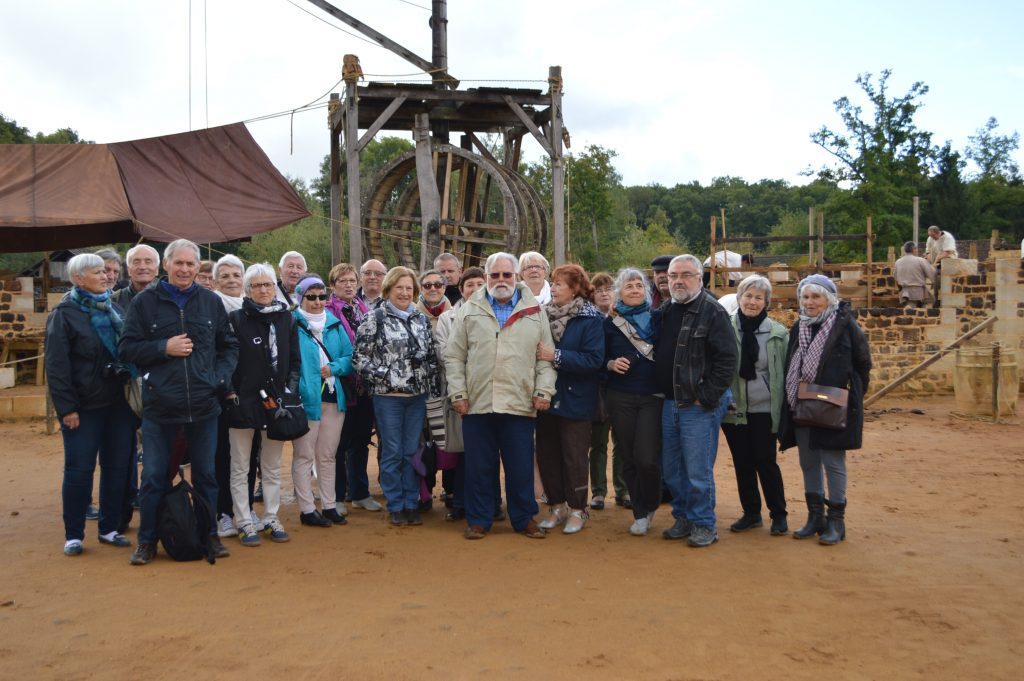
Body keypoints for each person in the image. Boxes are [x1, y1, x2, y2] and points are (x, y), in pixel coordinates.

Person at [119, 238, 238, 565]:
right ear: (166, 265)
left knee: (207, 475)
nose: (185, 269)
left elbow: (228, 346)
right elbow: (127, 348)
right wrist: (162, 348)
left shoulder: (210, 302)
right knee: (155, 476)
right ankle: (146, 541)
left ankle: (209, 537)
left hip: (203, 407)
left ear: (198, 267)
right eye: (179, 263)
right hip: (160, 408)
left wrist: (220, 378)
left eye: (191, 264)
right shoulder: (144, 303)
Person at [445, 252, 557, 540]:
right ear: (486, 277)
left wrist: (543, 390)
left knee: (520, 465)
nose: (501, 280)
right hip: (478, 401)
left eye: (507, 274)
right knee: (479, 466)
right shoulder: (469, 310)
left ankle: (524, 518)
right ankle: (479, 519)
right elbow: (454, 356)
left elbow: (545, 358)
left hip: (519, 400)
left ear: (516, 277)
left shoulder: (535, 311)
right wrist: (458, 392)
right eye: (495, 275)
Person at [46, 253, 136, 556]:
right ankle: (74, 534)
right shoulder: (65, 313)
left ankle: (109, 528)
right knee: (79, 470)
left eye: (107, 272)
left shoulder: (115, 308)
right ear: (78, 279)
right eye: (98, 272)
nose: (106, 276)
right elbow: (57, 367)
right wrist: (67, 408)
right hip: (82, 408)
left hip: (118, 404)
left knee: (116, 467)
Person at [778, 274, 871, 546]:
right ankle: (815, 517)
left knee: (833, 463)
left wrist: (850, 399)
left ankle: (836, 522)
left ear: (828, 299)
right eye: (805, 297)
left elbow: (862, 366)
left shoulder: (846, 327)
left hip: (833, 407)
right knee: (808, 462)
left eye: (815, 297)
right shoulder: (799, 327)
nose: (809, 302)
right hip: (803, 404)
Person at [656, 255, 737, 548]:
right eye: (673, 275)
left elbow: (728, 359)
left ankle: (704, 524)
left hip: (697, 407)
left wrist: (708, 396)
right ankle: (684, 518)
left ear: (699, 279)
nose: (678, 280)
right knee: (673, 468)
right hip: (669, 403)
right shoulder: (666, 309)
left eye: (686, 275)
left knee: (698, 470)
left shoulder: (712, 311)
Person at [354, 266, 441, 526]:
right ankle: (395, 504)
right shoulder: (375, 318)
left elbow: (430, 358)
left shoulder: (421, 319)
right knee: (392, 451)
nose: (404, 292)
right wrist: (387, 375)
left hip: (416, 397)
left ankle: (411, 502)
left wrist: (431, 387)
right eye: (399, 288)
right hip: (388, 397)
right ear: (388, 289)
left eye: (408, 288)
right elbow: (359, 359)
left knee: (411, 451)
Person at [223, 263, 299, 546]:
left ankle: (270, 517)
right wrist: (230, 392)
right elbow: (227, 360)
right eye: (257, 285)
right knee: (241, 466)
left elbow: (294, 361)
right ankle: (244, 521)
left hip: (276, 404)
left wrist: (288, 391)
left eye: (268, 284)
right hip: (243, 402)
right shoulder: (235, 319)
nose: (263, 290)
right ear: (247, 290)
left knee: (271, 464)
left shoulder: (286, 319)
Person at [535, 264, 605, 534]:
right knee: (548, 455)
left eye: (559, 284)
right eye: (552, 283)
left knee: (574, 457)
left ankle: (578, 509)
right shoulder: (543, 315)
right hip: (546, 398)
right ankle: (557, 506)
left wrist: (557, 357)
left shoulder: (591, 319)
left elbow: (594, 359)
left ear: (575, 289)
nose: (552, 288)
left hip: (577, 400)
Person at [720, 275, 789, 535]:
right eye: (747, 296)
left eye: (758, 297)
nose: (752, 301)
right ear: (739, 298)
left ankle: (779, 514)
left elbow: (785, 372)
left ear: (766, 302)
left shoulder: (778, 333)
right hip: (733, 408)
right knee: (743, 462)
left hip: (764, 409)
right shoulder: (724, 328)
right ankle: (751, 513)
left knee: (765, 460)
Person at [604, 267, 663, 536]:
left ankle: (651, 502)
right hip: (620, 396)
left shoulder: (659, 319)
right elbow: (597, 357)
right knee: (628, 455)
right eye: (629, 286)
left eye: (639, 285)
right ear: (619, 293)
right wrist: (610, 363)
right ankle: (640, 512)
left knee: (647, 458)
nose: (635, 290)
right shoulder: (608, 323)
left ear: (647, 292)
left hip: (652, 396)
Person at [292, 275, 354, 528]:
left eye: (321, 297)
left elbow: (349, 356)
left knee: (327, 454)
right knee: (304, 455)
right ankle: (307, 509)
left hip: (332, 396)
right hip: (306, 399)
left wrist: (334, 367)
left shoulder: (335, 323)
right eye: (311, 297)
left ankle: (329, 505)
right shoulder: (291, 324)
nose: (317, 302)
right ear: (301, 298)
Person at [434, 266, 494, 521]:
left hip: (489, 392)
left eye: (480, 284)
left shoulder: (496, 314)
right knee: (462, 450)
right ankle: (460, 502)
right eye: (470, 285)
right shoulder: (448, 319)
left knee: (487, 451)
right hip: (458, 391)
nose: (475, 289)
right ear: (461, 290)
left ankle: (491, 502)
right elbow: (445, 353)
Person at [326, 262, 382, 513]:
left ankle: (359, 492)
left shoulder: (362, 307)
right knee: (338, 444)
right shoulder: (328, 311)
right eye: (342, 281)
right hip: (340, 385)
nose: (348, 285)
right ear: (333, 285)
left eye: (352, 280)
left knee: (359, 441)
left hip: (364, 386)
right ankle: (337, 497)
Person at [210, 254, 255, 539]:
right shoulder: (211, 307)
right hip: (219, 393)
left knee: (249, 457)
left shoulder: (251, 309)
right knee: (222, 456)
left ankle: (246, 508)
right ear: (215, 281)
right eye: (224, 276)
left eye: (236, 275)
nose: (230, 280)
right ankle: (223, 513)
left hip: (249, 393)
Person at [586, 272, 628, 511]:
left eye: (608, 288)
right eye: (599, 289)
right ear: (592, 294)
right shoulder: (589, 319)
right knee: (598, 443)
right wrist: (607, 364)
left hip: (621, 389)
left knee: (622, 442)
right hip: (597, 389)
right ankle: (598, 492)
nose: (604, 293)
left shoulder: (624, 318)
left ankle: (623, 490)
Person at [417, 269, 453, 509]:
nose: (433, 289)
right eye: (427, 285)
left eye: (438, 284)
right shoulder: (411, 315)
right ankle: (424, 491)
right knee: (421, 440)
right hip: (420, 388)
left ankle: (451, 491)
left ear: (445, 287)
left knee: (449, 439)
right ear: (421, 288)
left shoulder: (456, 315)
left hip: (448, 386)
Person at [111, 244, 160, 309]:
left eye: (148, 262)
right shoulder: (115, 300)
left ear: (157, 269)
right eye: (136, 262)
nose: (142, 267)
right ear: (129, 270)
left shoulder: (170, 297)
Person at [895, 241, 935, 308]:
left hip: (904, 292)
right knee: (930, 301)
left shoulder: (898, 262)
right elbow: (932, 274)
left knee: (910, 310)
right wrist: (932, 265)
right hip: (917, 292)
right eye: (916, 249)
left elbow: (896, 278)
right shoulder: (920, 260)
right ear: (914, 249)